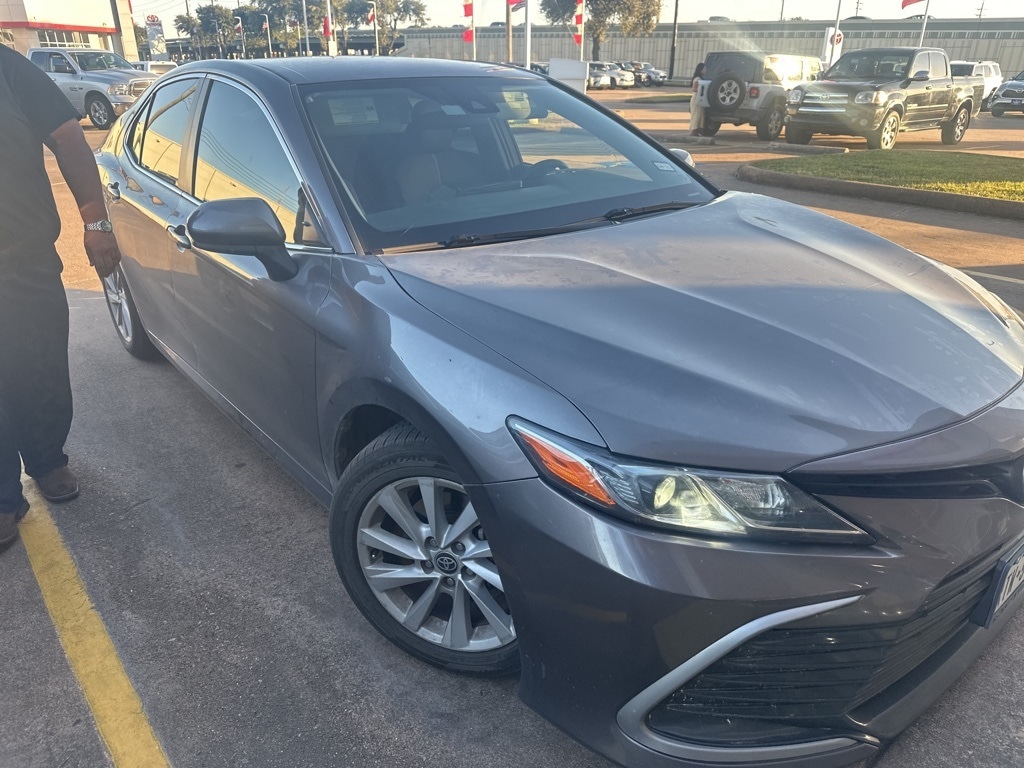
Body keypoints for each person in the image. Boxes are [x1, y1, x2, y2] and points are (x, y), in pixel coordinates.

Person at [0, 45, 122, 548]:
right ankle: (4, 498)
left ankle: (48, 459)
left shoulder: (7, 68)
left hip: (22, 261)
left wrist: (95, 221)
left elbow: (69, 138)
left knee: (40, 366)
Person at [690, 62, 706, 137]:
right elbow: (694, 88)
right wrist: (702, 90)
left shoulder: (701, 78)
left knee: (699, 115)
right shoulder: (697, 79)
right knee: (696, 115)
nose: (706, 70)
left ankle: (697, 130)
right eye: (704, 69)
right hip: (696, 99)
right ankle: (694, 131)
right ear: (700, 70)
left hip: (699, 99)